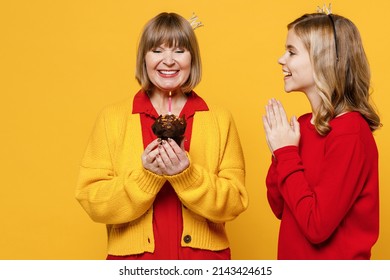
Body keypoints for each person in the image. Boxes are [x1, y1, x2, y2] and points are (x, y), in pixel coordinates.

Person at [75, 12, 248, 260]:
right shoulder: (112, 118)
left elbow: (235, 202)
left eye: (179, 51)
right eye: (157, 50)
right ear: (143, 58)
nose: (168, 61)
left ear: (193, 58)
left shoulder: (219, 119)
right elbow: (92, 201)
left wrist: (186, 176)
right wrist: (146, 177)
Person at [262, 12, 381, 259]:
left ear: (322, 60)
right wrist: (279, 151)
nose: (280, 59)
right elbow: (280, 207)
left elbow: (317, 227)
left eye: (292, 52)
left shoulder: (350, 132)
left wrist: (285, 153)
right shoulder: (302, 126)